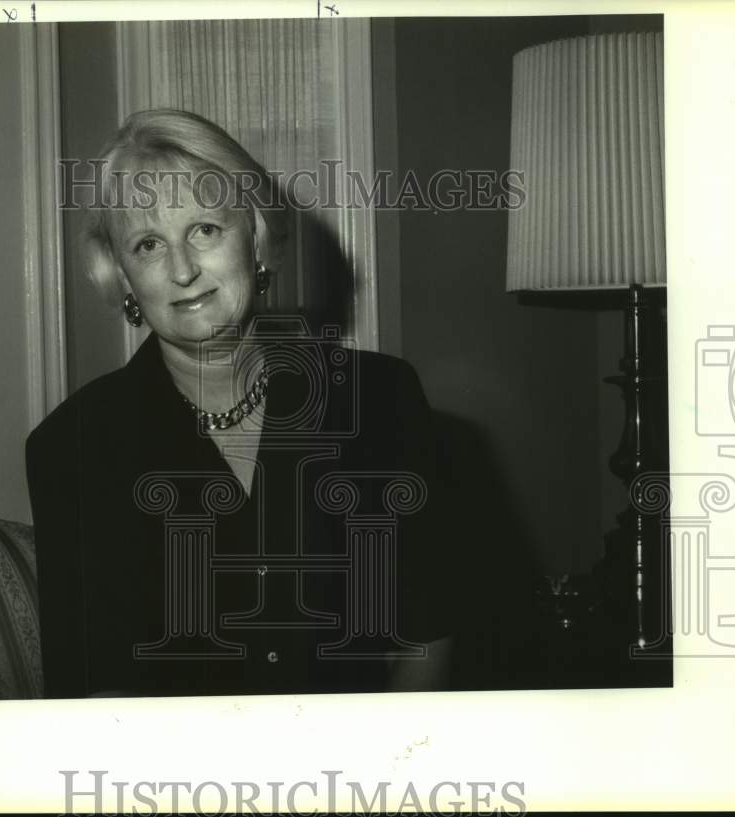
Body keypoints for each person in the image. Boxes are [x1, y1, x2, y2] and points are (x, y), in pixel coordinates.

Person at [26, 109, 462, 699]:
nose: (182, 271)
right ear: (123, 276)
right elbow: (95, 689)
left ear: (254, 237)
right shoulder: (73, 444)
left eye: (205, 229)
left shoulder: (381, 399)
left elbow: (427, 637)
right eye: (149, 244)